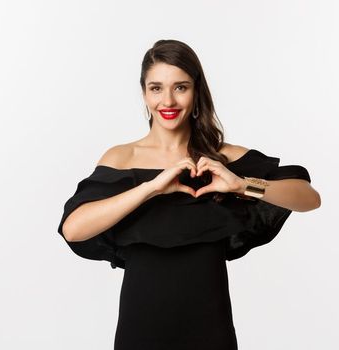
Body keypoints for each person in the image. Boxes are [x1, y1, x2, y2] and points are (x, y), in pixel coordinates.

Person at [57, 39, 321, 349]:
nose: (167, 100)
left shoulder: (223, 157)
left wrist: (240, 184)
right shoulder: (122, 158)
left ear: (196, 93)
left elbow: (308, 198)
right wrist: (151, 188)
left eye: (180, 87)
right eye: (156, 88)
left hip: (209, 329)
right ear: (144, 93)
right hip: (141, 328)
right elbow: (73, 229)